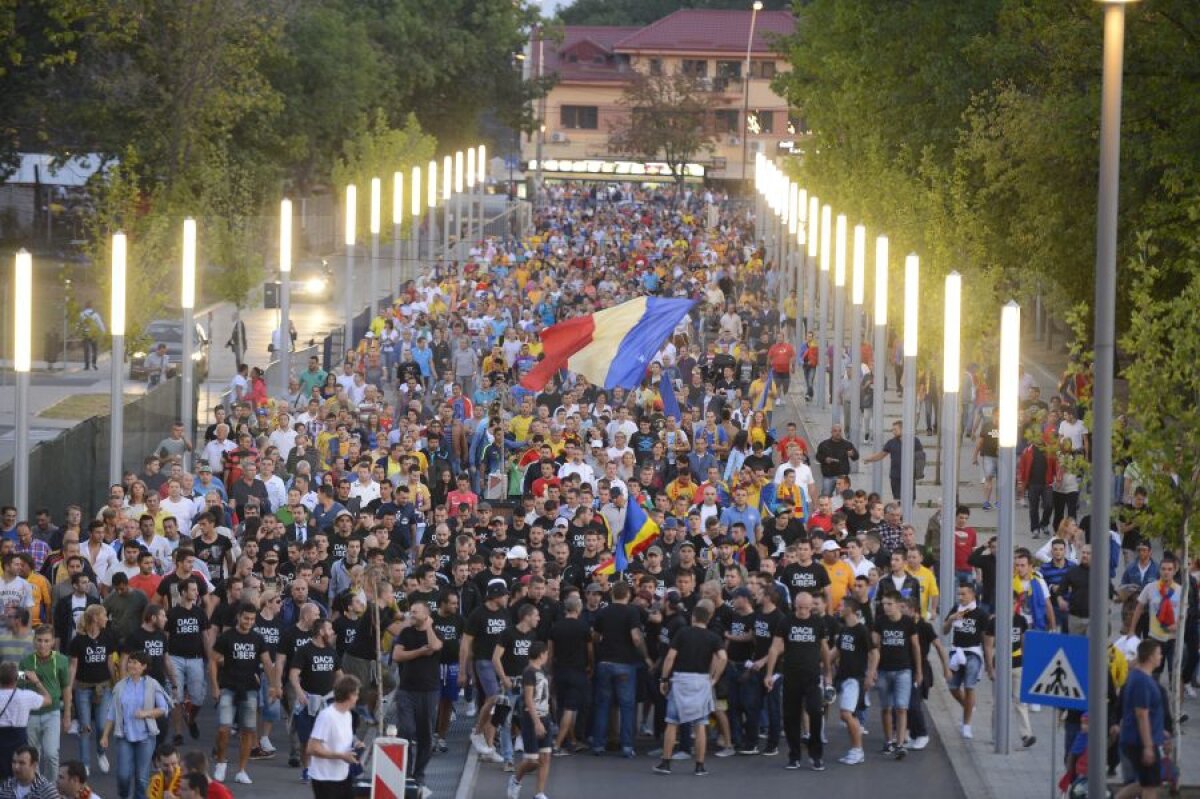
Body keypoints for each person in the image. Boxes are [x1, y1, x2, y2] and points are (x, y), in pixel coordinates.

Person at [653, 600, 726, 777]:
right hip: (701, 681)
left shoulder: (683, 633)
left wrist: (664, 678)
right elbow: (722, 657)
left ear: (693, 617)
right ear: (708, 619)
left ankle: (666, 762)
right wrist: (714, 677)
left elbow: (670, 657)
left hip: (680, 680)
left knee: (672, 723)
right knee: (700, 725)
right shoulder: (713, 637)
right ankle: (699, 765)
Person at [208, 602, 277, 785]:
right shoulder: (226, 637)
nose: (249, 622)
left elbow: (268, 663)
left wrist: (274, 685)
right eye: (246, 618)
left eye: (252, 619)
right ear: (239, 617)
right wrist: (214, 686)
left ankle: (242, 770)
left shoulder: (258, 638)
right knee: (223, 728)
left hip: (250, 689)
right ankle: (221, 762)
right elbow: (213, 660)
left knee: (248, 731)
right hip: (228, 687)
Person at [764, 592, 833, 771]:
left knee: (815, 712)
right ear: (795, 605)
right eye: (799, 607)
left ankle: (816, 755)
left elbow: (825, 649)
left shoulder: (818, 622)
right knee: (790, 717)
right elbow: (774, 648)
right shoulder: (786, 622)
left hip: (812, 676)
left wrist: (828, 673)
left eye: (805, 608)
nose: (802, 611)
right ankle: (794, 756)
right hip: (791, 676)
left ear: (811, 607)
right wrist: (769, 674)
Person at [590, 581, 651, 758]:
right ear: (628, 595)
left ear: (612, 594)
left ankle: (598, 745)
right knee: (627, 706)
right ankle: (626, 746)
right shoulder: (632, 611)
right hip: (625, 663)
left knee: (602, 705)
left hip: (604, 663)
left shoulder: (603, 612)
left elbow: (595, 635)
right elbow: (636, 638)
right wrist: (644, 655)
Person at [98, 652, 171, 799]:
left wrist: (146, 713)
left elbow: (163, 708)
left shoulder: (151, 684)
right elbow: (112, 713)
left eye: (135, 662)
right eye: (130, 662)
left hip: (146, 737)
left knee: (141, 779)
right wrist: (105, 735)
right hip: (125, 736)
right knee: (123, 776)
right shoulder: (120, 686)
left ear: (144, 666)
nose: (131, 665)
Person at [391, 602, 442, 792]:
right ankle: (405, 775)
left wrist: (428, 627)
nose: (411, 614)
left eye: (415, 611)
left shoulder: (435, 631)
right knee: (406, 730)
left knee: (425, 736)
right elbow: (397, 655)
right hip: (406, 690)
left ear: (427, 614)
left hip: (429, 691)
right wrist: (421, 652)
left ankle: (418, 774)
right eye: (410, 611)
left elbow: (435, 645)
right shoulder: (406, 633)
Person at [871, 593, 921, 758]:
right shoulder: (880, 621)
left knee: (901, 707)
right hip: (884, 670)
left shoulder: (907, 622)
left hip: (903, 670)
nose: (886, 607)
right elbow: (874, 646)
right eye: (884, 604)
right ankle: (888, 741)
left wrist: (918, 670)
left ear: (899, 605)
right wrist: (872, 670)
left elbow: (915, 646)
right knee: (886, 707)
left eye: (889, 604)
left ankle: (900, 744)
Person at [20, 625, 71, 780]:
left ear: (53, 642)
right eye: (40, 640)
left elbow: (66, 688)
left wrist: (67, 714)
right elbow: (19, 688)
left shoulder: (62, 661)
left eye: (46, 641)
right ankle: (34, 787)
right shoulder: (26, 662)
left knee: (51, 754)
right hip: (31, 714)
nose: (42, 644)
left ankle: (50, 789)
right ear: (34, 641)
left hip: (53, 712)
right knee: (32, 756)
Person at [1117, 640, 1166, 799]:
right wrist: (1148, 746)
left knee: (1145, 783)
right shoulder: (1141, 681)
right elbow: (1141, 714)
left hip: (1143, 740)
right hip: (1139, 742)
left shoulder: (1141, 678)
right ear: (1151, 656)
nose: (1161, 656)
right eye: (1159, 653)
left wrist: (1161, 732)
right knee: (1149, 787)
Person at [507, 641, 554, 799]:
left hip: (545, 715)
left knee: (546, 756)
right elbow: (528, 699)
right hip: (532, 718)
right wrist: (537, 722)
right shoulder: (529, 671)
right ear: (541, 654)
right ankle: (515, 779)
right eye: (546, 653)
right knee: (532, 760)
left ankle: (539, 793)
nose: (547, 656)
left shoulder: (544, 670)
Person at [832, 597, 875, 765]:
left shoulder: (861, 630)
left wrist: (870, 675)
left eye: (841, 605)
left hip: (855, 679)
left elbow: (874, 653)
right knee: (849, 716)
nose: (838, 608)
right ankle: (855, 750)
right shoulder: (844, 630)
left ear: (850, 609)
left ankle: (858, 751)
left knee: (846, 714)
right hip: (843, 677)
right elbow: (835, 652)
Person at [943, 583, 988, 740]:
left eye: (963, 594)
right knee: (953, 686)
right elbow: (944, 630)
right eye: (959, 594)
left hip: (973, 652)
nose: (960, 597)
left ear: (972, 595)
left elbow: (985, 638)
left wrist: (988, 663)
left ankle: (967, 724)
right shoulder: (956, 609)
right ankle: (969, 706)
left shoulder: (980, 614)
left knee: (969, 686)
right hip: (957, 652)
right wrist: (951, 619)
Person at [305, 676, 361, 799]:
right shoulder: (327, 716)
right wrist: (341, 755)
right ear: (349, 695)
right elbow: (312, 748)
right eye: (356, 694)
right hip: (325, 778)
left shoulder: (348, 715)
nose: (358, 698)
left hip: (342, 775)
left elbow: (346, 736)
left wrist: (356, 743)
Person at [0, 664, 50, 780]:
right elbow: (48, 700)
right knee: (18, 773)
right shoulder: (25, 696)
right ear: (16, 679)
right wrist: (36, 682)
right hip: (19, 739)